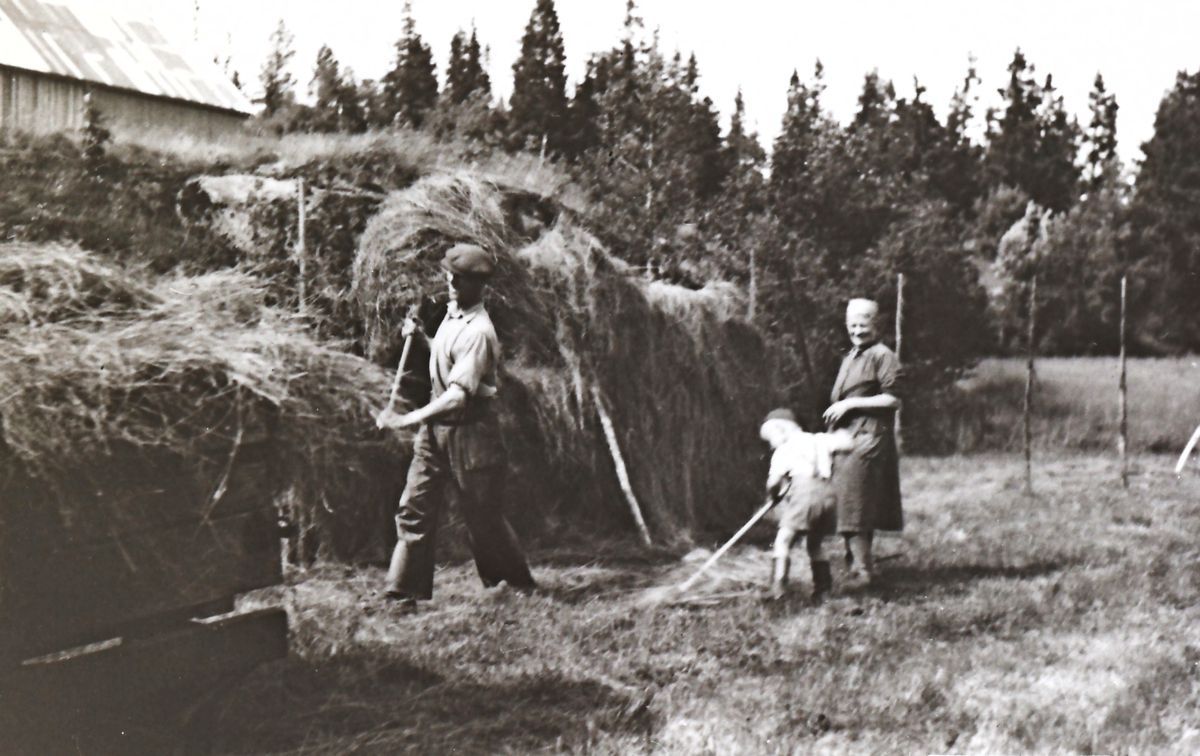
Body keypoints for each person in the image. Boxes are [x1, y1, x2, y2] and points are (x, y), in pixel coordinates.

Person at [375, 243, 536, 611]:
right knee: (413, 507)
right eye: (449, 274)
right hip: (436, 434)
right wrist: (421, 339)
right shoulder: (453, 316)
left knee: (483, 516)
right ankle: (401, 594)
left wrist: (405, 419)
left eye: (458, 279)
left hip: (471, 431)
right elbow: (449, 357)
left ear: (478, 286)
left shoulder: (480, 331)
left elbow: (458, 396)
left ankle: (514, 585)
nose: (449, 281)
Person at [823, 298, 903, 585]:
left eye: (864, 325)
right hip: (847, 438)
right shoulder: (852, 356)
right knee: (850, 500)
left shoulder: (883, 355)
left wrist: (850, 405)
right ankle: (858, 564)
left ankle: (864, 570)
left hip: (869, 436)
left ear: (876, 325)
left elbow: (893, 398)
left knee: (854, 501)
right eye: (853, 325)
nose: (858, 331)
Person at [760, 409, 855, 600]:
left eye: (770, 438)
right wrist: (841, 433)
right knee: (815, 544)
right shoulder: (820, 439)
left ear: (781, 428)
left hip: (804, 493)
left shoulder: (783, 450)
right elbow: (848, 443)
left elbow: (773, 483)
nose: (770, 445)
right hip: (828, 495)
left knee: (783, 541)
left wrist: (773, 496)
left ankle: (778, 587)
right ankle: (824, 591)